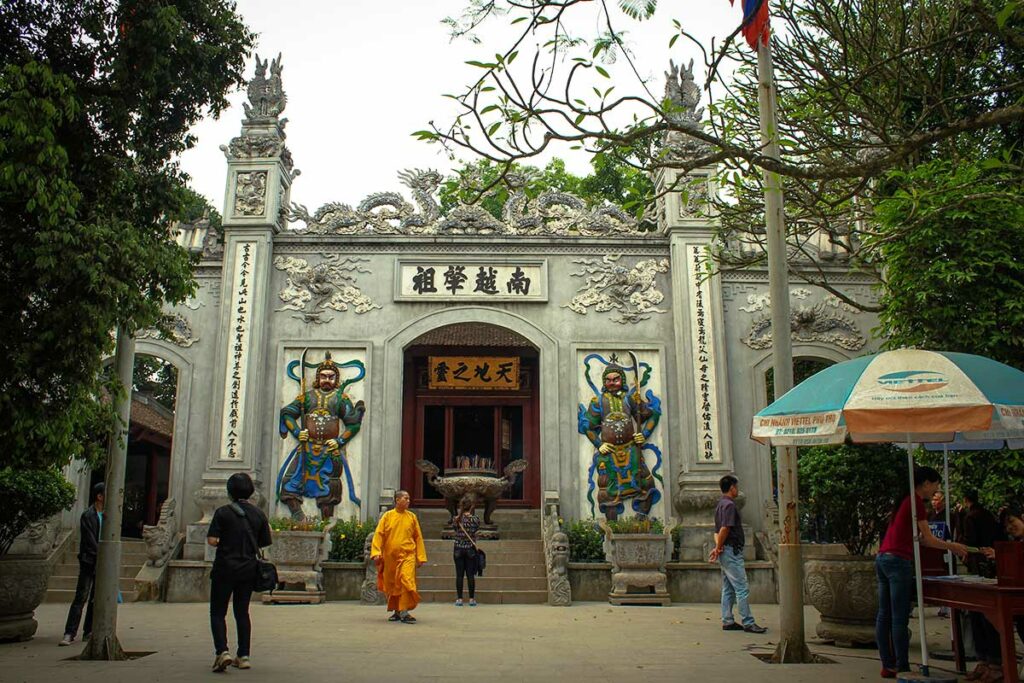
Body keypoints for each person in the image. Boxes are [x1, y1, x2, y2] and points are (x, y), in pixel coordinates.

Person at [875, 466, 968, 679]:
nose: (936, 491)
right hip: (898, 561)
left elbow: (920, 538)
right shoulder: (915, 501)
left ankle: (888, 664)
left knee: (884, 615)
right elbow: (928, 538)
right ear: (926, 483)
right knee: (899, 617)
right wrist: (952, 546)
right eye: (935, 485)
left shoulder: (904, 500)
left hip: (883, 558)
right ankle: (902, 665)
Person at [278, 352, 365, 520]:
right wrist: (297, 432)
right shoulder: (307, 397)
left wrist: (340, 441)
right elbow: (287, 414)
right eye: (324, 376)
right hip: (306, 447)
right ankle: (298, 515)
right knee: (290, 481)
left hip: (329, 449)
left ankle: (326, 522)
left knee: (330, 486)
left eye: (331, 377)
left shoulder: (341, 399)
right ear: (318, 378)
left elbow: (353, 424)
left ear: (336, 379)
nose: (327, 380)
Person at [580, 360, 661, 521]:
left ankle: (641, 517)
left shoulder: (630, 399)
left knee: (646, 483)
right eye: (608, 380)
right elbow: (586, 426)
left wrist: (644, 434)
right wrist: (599, 444)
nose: (612, 383)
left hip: (631, 449)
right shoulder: (598, 402)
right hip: (609, 452)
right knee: (606, 489)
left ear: (622, 380)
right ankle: (612, 526)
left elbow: (653, 414)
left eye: (615, 379)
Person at [206, 472, 271, 673]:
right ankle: (243, 655)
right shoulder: (258, 514)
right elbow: (264, 542)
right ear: (250, 491)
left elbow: (212, 540)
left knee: (218, 612)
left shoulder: (223, 512)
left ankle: (222, 651)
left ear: (229, 491)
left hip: (225, 567)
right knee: (242, 612)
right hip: (248, 569)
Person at [709, 475, 767, 634]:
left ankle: (727, 620)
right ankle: (748, 622)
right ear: (732, 487)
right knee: (742, 588)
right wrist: (719, 546)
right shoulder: (729, 505)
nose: (738, 489)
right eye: (736, 486)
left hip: (725, 549)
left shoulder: (720, 505)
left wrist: (717, 547)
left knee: (728, 588)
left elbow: (717, 531)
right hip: (731, 551)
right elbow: (724, 529)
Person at [371, 490, 427, 623]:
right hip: (391, 557)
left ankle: (405, 611)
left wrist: (420, 556)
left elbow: (418, 537)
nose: (408, 501)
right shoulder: (387, 516)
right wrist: (376, 553)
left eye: (409, 498)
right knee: (393, 584)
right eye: (405, 498)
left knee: (406, 580)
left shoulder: (412, 517)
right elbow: (379, 534)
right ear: (397, 500)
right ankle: (397, 610)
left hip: (408, 555)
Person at [59, 483, 104, 647]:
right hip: (89, 560)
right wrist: (101, 554)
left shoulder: (108, 516)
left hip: (102, 562)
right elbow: (90, 540)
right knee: (81, 596)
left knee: (95, 598)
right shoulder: (88, 515)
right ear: (99, 496)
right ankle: (69, 632)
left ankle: (89, 631)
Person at [452, 495, 481, 607]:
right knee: (470, 574)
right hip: (470, 549)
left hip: (458, 548)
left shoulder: (456, 519)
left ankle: (459, 599)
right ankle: (471, 599)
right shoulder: (475, 520)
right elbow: (476, 530)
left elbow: (455, 529)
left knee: (459, 575)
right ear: (471, 507)